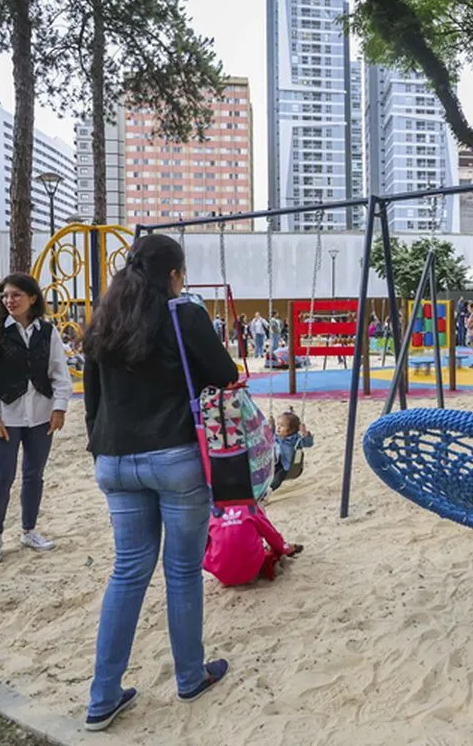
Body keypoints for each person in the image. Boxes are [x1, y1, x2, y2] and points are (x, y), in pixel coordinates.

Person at [82, 234, 237, 731]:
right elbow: (224, 372)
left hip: (114, 457)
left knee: (127, 572)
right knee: (182, 571)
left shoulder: (103, 318)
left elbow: (93, 396)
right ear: (173, 273)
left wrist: (101, 447)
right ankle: (190, 676)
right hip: (173, 455)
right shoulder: (181, 314)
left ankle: (103, 696)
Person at [0, 273, 73, 567]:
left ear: (32, 298)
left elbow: (59, 372)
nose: (9, 300)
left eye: (16, 295)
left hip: (40, 415)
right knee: (1, 478)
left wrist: (60, 408)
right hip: (5, 415)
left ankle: (29, 530)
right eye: (5, 295)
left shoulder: (47, 331)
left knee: (34, 475)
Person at [202, 503, 303, 587]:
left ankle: (227, 567)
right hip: (251, 568)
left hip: (221, 572)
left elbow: (201, 546)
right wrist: (283, 549)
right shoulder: (250, 507)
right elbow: (272, 536)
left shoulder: (209, 512)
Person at [269, 410, 314, 491]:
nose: (278, 427)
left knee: (278, 477)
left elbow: (308, 443)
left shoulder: (295, 439)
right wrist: (272, 427)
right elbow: (268, 437)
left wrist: (305, 433)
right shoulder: (277, 437)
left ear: (291, 430)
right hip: (278, 463)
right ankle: (260, 490)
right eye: (278, 424)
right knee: (268, 474)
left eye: (282, 425)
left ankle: (268, 492)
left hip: (289, 468)